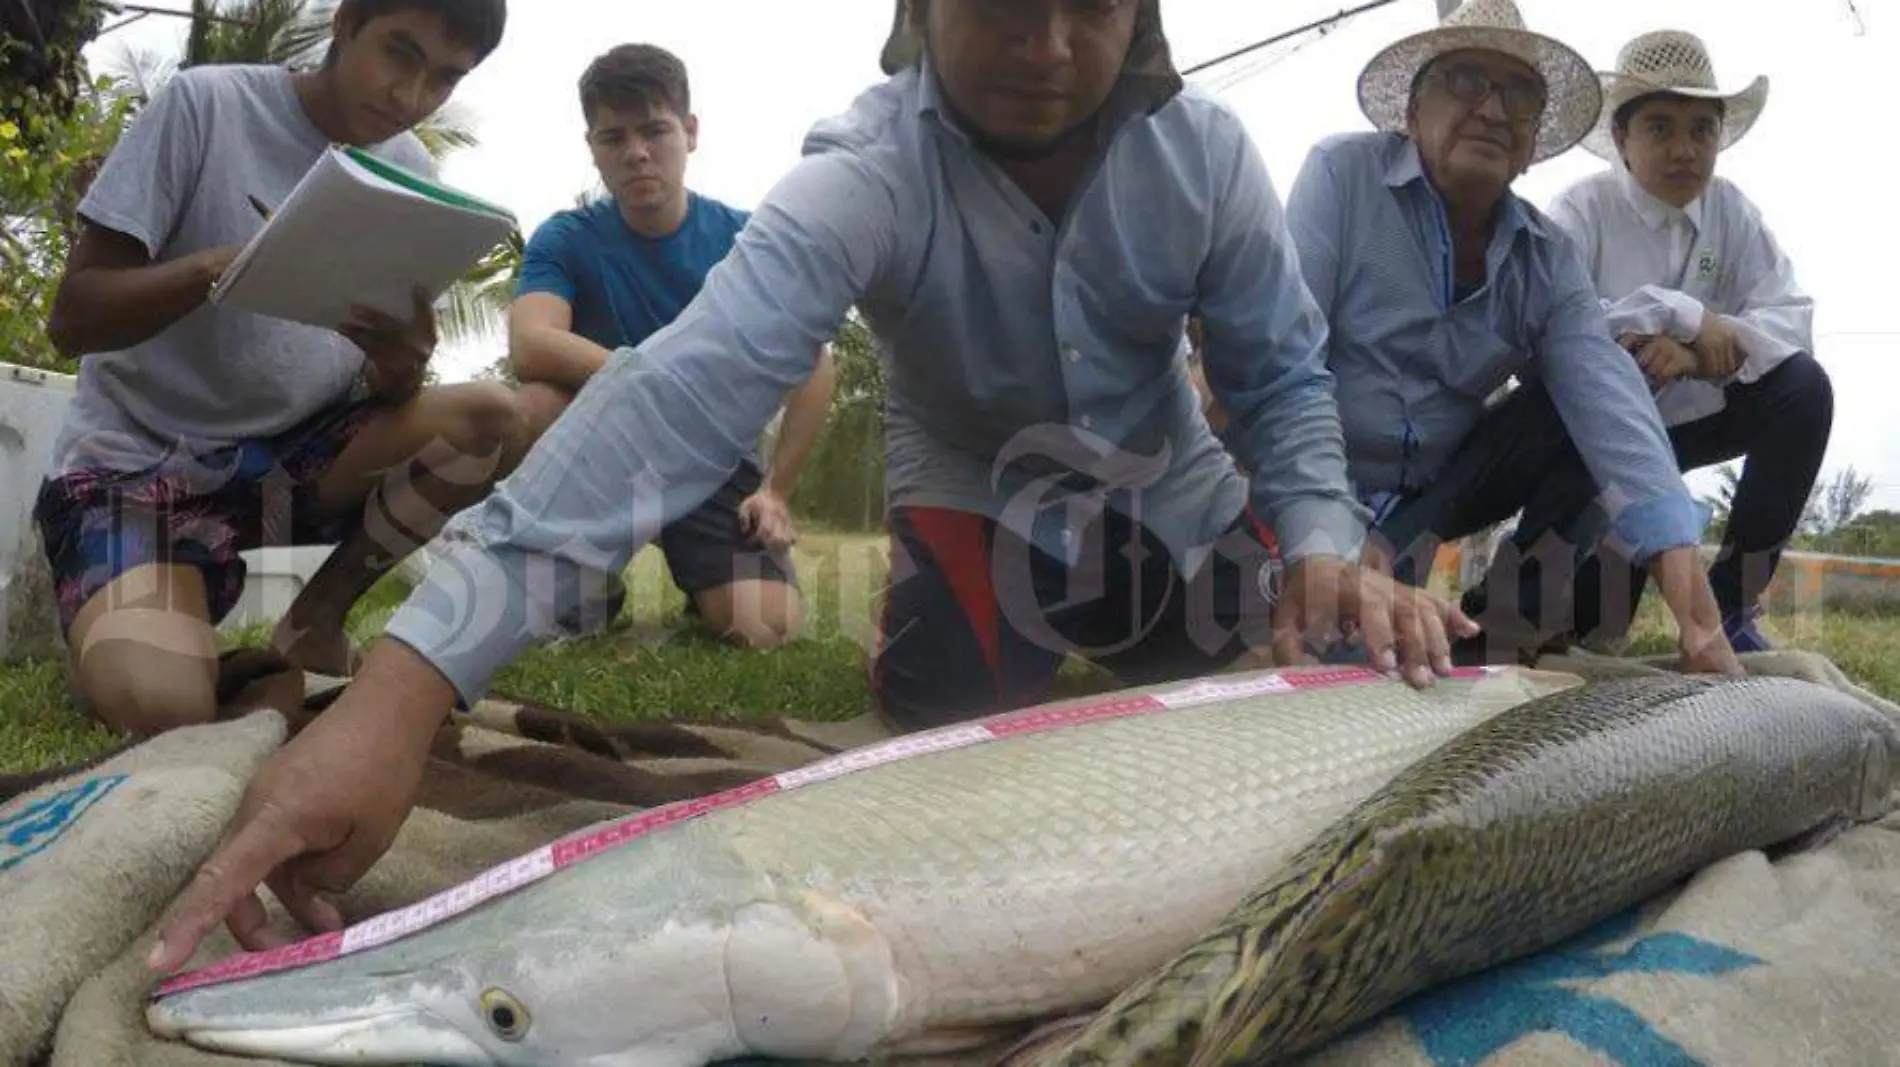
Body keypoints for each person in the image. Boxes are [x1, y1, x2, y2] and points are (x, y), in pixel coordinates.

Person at [146, 0, 1478, 976]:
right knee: (952, 740)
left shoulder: (1212, 156)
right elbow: (687, 387)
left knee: (1296, 682)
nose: (1053, 47)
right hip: (973, 499)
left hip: (1171, 494)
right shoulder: (866, 165)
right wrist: (405, 687)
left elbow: (1286, 382)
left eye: (1094, 8)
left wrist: (1322, 540)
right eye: (1011, 8)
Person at [35, 0, 524, 739]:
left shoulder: (410, 171)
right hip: (134, 474)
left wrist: (403, 369)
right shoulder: (206, 106)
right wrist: (218, 269)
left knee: (493, 418)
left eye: (444, 78)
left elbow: (377, 391)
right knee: (165, 708)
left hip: (284, 467)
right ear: (346, 22)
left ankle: (313, 622)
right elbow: (73, 318)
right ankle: (141, 608)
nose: (410, 96)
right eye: (399, 52)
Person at [1279, 0, 1742, 674]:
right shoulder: (1341, 179)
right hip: (1315, 492)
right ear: (1412, 115)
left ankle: (1499, 623)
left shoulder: (1546, 259)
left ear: (1529, 148)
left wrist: (1701, 626)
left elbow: (1616, 418)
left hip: (1423, 502)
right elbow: (1289, 371)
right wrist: (1330, 546)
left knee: (1600, 390)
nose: (1493, 110)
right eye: (1465, 81)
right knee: (1323, 655)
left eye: (1518, 96)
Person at [508, 43, 834, 648]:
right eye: (613, 138)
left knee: (765, 627)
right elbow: (531, 343)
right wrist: (657, 381)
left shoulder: (748, 241)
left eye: (655, 131)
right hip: (600, 446)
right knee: (529, 405)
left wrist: (776, 490)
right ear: (593, 149)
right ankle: (586, 582)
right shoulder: (567, 237)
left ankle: (703, 570)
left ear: (690, 132)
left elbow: (814, 367)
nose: (636, 153)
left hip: (713, 457)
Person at [1532, 29, 1828, 652]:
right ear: (1621, 137)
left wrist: (1695, 357)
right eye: (1661, 128)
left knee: (1803, 388)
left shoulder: (1733, 213)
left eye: (1702, 130)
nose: (1685, 150)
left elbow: (1790, 316)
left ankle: (1732, 604)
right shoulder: (1580, 211)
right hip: (1598, 440)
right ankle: (1550, 587)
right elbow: (1556, 320)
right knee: (1587, 633)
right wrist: (1678, 319)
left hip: (1696, 417)